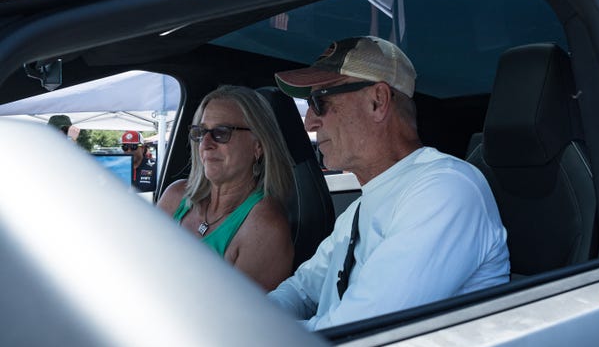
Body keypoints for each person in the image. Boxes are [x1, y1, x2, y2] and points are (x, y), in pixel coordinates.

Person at [268, 36, 510, 330]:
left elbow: (364, 330)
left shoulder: (446, 190)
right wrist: (255, 318)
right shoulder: (360, 208)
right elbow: (302, 289)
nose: (310, 123)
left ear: (377, 102)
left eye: (320, 102)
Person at [157, 85, 295, 290]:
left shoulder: (264, 227)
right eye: (201, 132)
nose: (205, 144)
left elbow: (241, 319)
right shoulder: (176, 196)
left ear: (258, 145)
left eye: (221, 132)